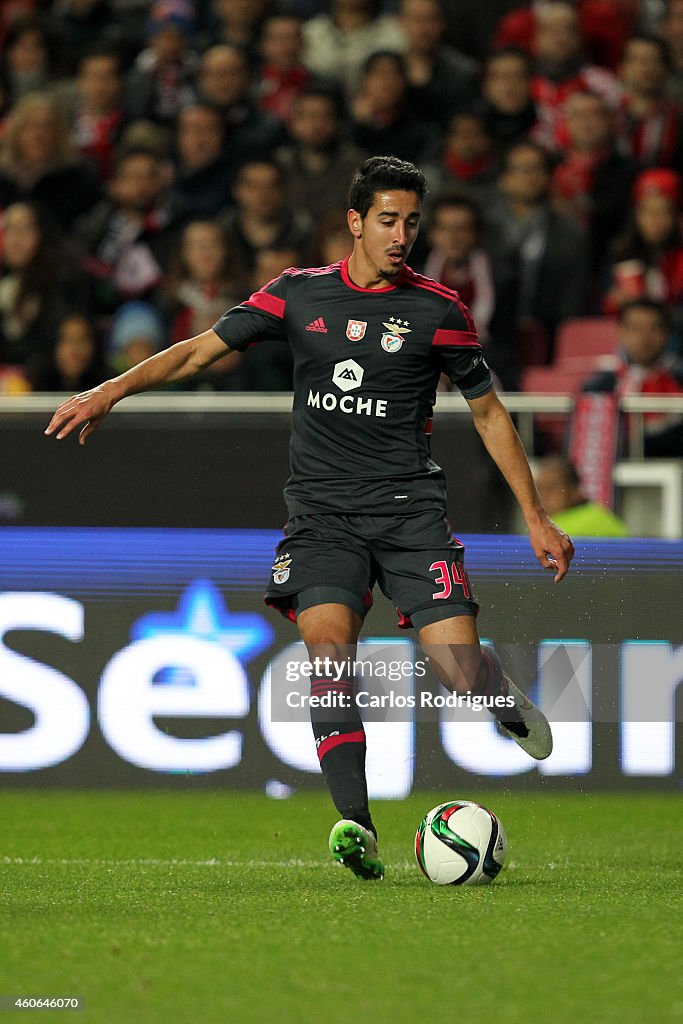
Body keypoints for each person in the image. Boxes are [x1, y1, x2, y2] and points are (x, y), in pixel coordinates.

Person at [45, 155, 574, 881]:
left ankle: (501, 699)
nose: (401, 235)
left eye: (411, 222)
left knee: (457, 673)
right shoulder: (296, 295)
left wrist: (537, 517)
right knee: (327, 658)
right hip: (322, 518)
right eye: (388, 220)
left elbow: (485, 411)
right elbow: (201, 351)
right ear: (355, 221)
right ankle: (355, 824)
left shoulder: (438, 311)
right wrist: (112, 389)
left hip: (409, 515)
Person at [534, 455, 628, 536]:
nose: (542, 495)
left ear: (575, 491)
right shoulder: (601, 515)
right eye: (538, 488)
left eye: (551, 488)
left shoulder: (558, 532)